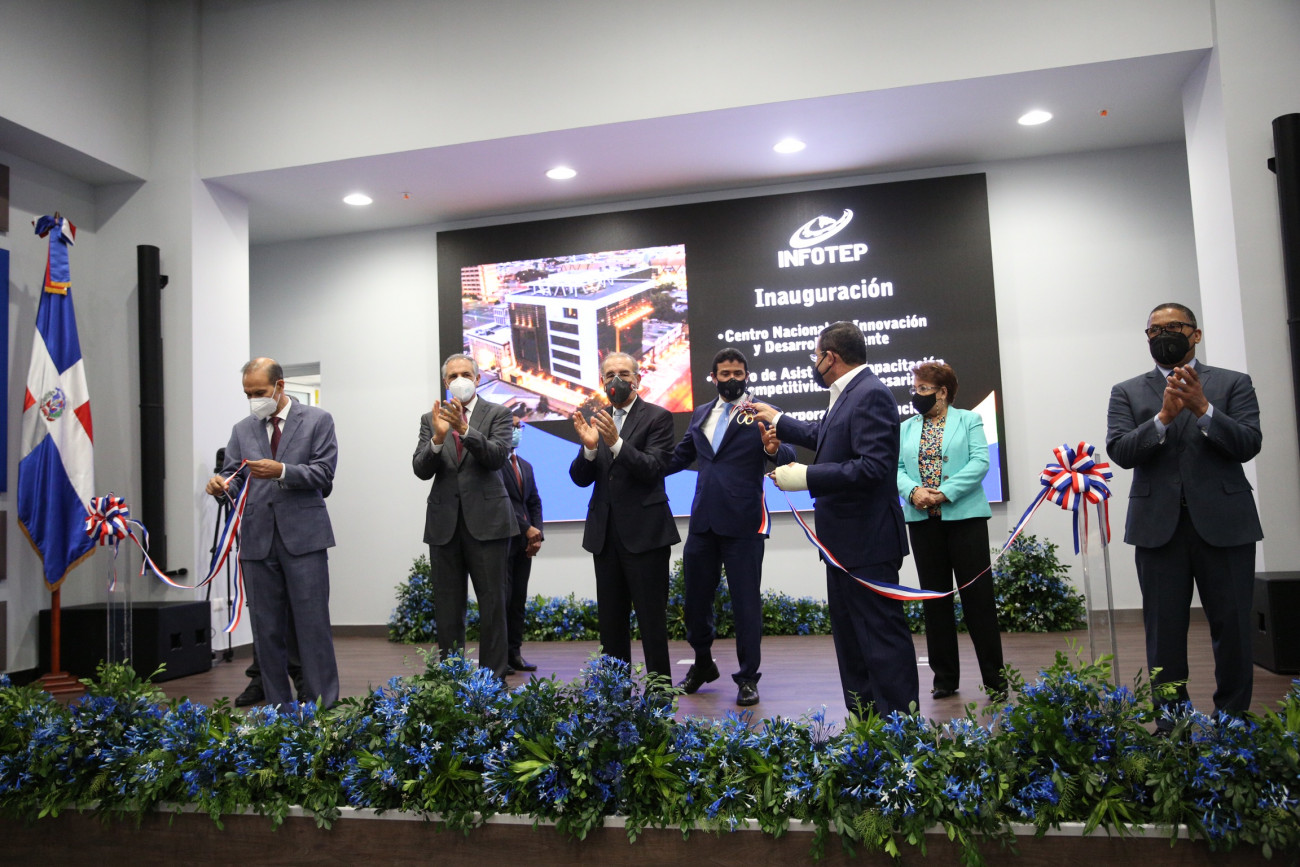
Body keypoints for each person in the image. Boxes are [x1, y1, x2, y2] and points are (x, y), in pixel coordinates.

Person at [751, 321, 918, 715]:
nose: (814, 363)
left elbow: (874, 467)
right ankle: (866, 727)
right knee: (853, 645)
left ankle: (901, 731)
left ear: (830, 357)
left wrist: (807, 476)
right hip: (843, 544)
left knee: (880, 641)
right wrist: (779, 420)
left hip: (868, 543)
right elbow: (826, 435)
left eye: (816, 356)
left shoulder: (870, 393)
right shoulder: (849, 393)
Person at [1106, 302, 1263, 718]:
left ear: (1196, 334)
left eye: (1174, 326)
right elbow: (1120, 452)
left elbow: (1248, 443)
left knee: (1233, 628)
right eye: (1154, 330)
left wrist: (1203, 409)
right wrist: (1162, 418)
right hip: (1158, 529)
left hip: (1226, 525)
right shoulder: (1127, 391)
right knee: (1164, 634)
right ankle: (1173, 728)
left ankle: (1232, 722)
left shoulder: (1233, 383)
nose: (1163, 335)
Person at [205, 357, 340, 708]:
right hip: (257, 540)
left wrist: (282, 470)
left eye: (259, 392)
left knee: (312, 625)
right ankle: (278, 708)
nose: (254, 400)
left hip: (305, 538)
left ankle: (323, 705)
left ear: (280, 386)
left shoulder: (318, 420)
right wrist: (221, 486)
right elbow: (234, 478)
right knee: (265, 630)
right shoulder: (242, 429)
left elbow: (324, 475)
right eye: (248, 394)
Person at [664, 348, 793, 706]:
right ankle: (703, 663)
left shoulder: (762, 412)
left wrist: (773, 449)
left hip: (744, 523)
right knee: (695, 601)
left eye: (738, 373)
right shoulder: (701, 413)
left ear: (747, 376)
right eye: (725, 374)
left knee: (745, 605)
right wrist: (636, 464)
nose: (732, 379)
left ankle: (748, 677)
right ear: (714, 377)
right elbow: (680, 456)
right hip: (703, 521)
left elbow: (788, 457)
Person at [896, 362, 1006, 701]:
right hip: (923, 521)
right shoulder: (905, 428)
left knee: (979, 601)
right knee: (935, 601)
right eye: (914, 388)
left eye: (923, 388)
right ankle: (944, 678)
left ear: (942, 392)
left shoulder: (969, 420)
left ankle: (996, 681)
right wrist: (913, 492)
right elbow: (896, 468)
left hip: (965, 521)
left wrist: (943, 493)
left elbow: (980, 462)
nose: (916, 394)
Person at [570, 351, 679, 686]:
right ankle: (615, 697)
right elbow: (579, 478)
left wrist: (616, 443)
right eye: (609, 375)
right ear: (602, 381)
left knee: (651, 622)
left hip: (646, 535)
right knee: (611, 624)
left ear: (637, 379)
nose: (616, 380)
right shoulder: (598, 419)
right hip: (605, 537)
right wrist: (590, 449)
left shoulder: (658, 417)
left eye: (624, 374)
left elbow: (653, 468)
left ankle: (659, 694)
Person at [413, 354, 515, 678]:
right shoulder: (430, 419)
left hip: (489, 523)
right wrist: (438, 438)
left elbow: (497, 457)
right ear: (446, 382)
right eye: (454, 375)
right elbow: (420, 469)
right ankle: (452, 679)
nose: (460, 380)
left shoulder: (498, 413)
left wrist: (465, 430)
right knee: (447, 607)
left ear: (478, 378)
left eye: (466, 374)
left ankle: (492, 681)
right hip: (444, 525)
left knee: (493, 605)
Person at [501, 413, 544, 675]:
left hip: (524, 545)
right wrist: (527, 529)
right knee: (503, 601)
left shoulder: (525, 465)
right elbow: (502, 503)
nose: (517, 431)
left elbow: (534, 502)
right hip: (503, 542)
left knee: (518, 600)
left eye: (520, 427)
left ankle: (515, 653)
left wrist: (538, 535)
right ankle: (500, 657)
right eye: (513, 426)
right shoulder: (494, 465)